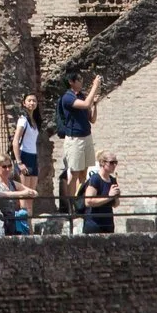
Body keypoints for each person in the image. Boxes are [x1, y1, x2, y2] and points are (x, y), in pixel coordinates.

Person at [55, 75, 104, 213]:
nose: (82, 82)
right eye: (80, 80)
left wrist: (95, 104)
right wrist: (95, 86)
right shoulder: (68, 97)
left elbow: (92, 119)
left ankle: (81, 203)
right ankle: (70, 207)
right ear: (71, 81)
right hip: (75, 139)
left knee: (84, 173)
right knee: (74, 172)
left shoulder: (82, 96)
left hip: (86, 136)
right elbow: (85, 104)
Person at [0, 154, 36, 236]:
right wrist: (21, 193)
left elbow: (34, 192)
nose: (7, 169)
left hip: (12, 223)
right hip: (0, 223)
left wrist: (30, 192)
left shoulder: (13, 183)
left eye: (9, 166)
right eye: (4, 167)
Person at [80, 152, 121, 236]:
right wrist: (109, 197)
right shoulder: (95, 179)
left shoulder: (113, 180)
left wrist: (116, 196)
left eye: (115, 162)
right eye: (111, 162)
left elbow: (115, 205)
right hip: (94, 224)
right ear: (102, 163)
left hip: (108, 223)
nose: (114, 165)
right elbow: (88, 202)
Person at [12, 94, 43, 186]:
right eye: (29, 101)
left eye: (34, 101)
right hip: (24, 155)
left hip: (33, 156)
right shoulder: (23, 120)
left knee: (32, 192)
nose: (32, 103)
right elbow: (15, 141)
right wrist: (19, 162)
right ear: (24, 103)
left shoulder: (35, 121)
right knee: (25, 192)